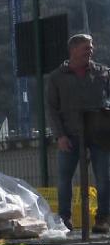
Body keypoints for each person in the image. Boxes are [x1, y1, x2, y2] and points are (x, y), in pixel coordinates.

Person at [47, 33, 110, 233]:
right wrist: (60, 136)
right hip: (70, 134)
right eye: (86, 47)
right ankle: (65, 219)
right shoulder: (57, 77)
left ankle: (103, 219)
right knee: (65, 177)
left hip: (100, 133)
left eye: (91, 47)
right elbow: (51, 108)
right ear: (73, 49)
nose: (90, 51)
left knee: (104, 177)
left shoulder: (103, 73)